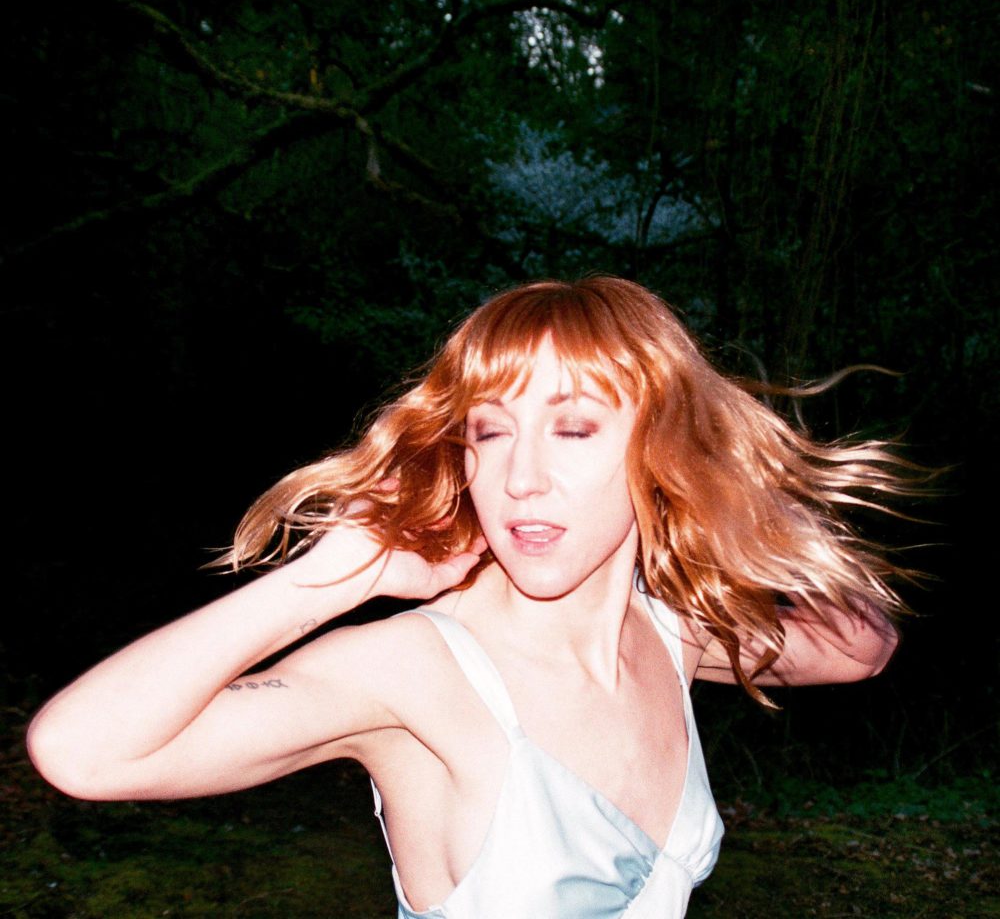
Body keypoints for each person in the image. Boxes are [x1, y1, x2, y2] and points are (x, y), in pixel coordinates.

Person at [28, 276, 906, 918]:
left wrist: (740, 489)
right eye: (490, 431)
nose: (522, 477)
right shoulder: (416, 669)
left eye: (573, 428)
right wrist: (333, 577)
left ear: (660, 449)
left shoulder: (666, 633)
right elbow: (82, 754)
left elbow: (861, 646)